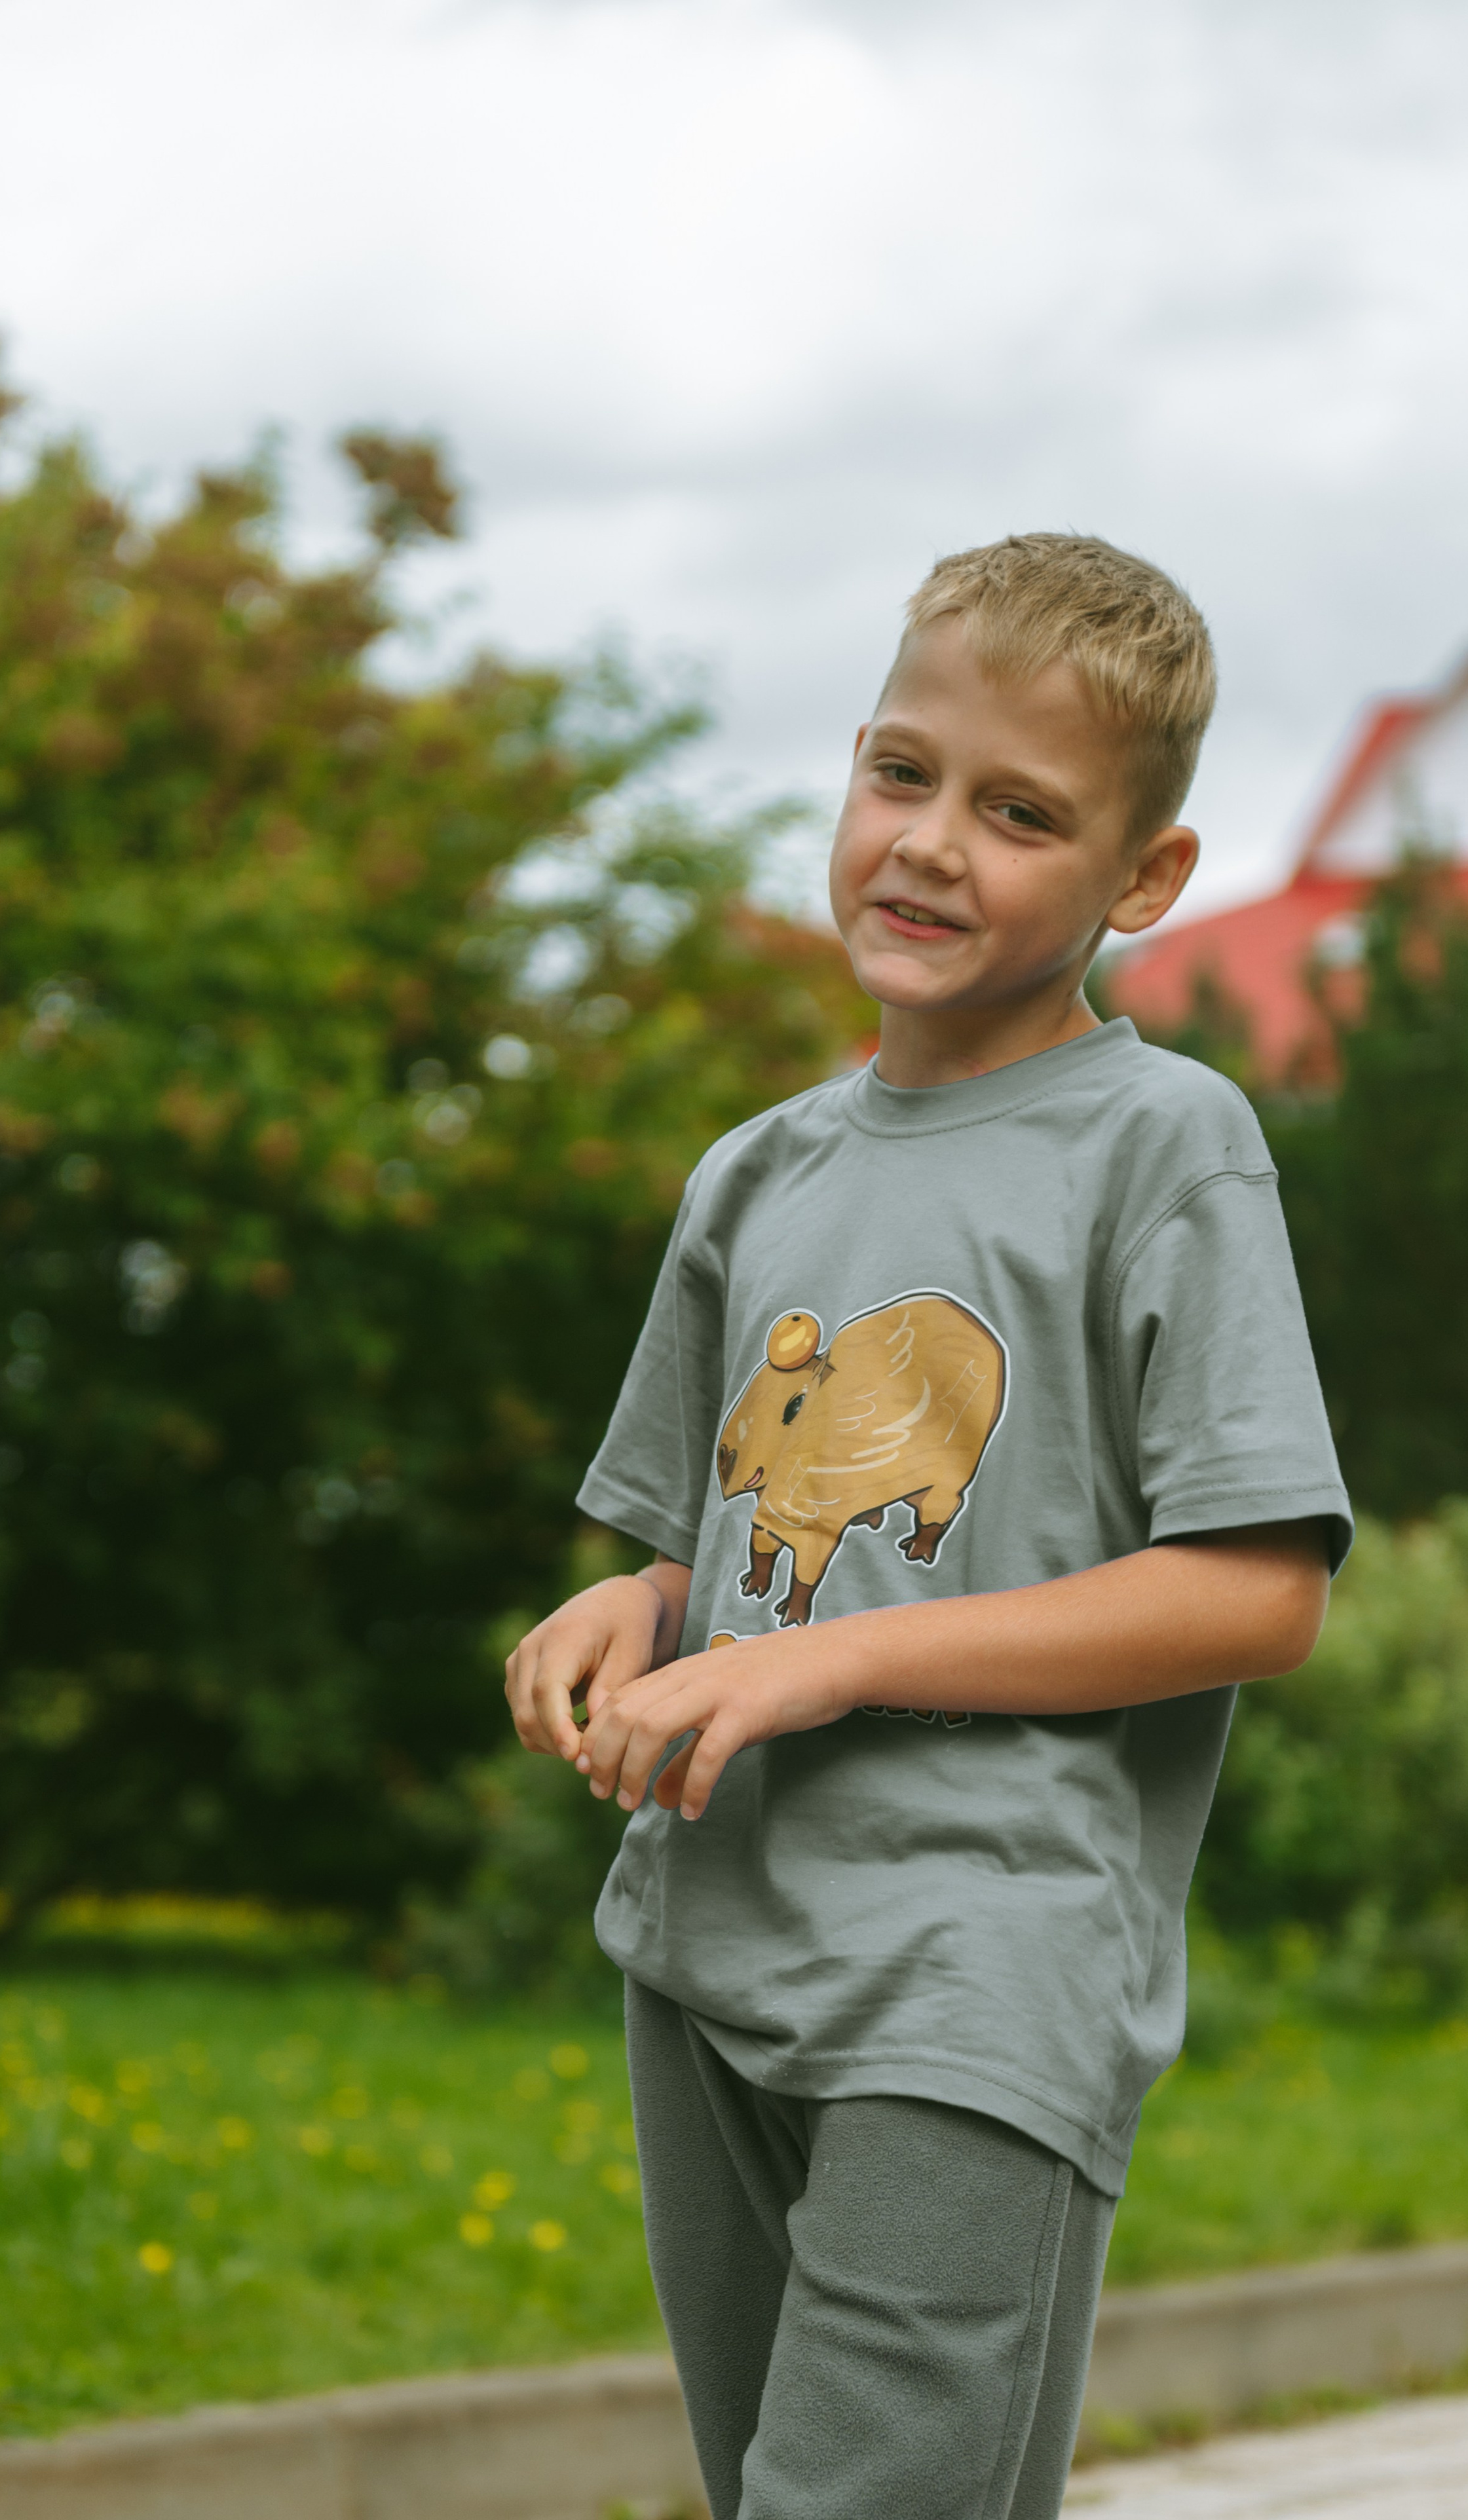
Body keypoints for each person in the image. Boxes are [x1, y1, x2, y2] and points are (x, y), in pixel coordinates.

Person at [504, 534, 1351, 2520]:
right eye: (902, 774)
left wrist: (833, 1658)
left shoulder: (1166, 1145)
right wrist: (619, 1615)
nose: (932, 843)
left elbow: (1259, 1589)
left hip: (981, 1972)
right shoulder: (755, 1176)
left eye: (1020, 810)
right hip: (707, 1937)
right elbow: (703, 1544)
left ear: (1144, 884)